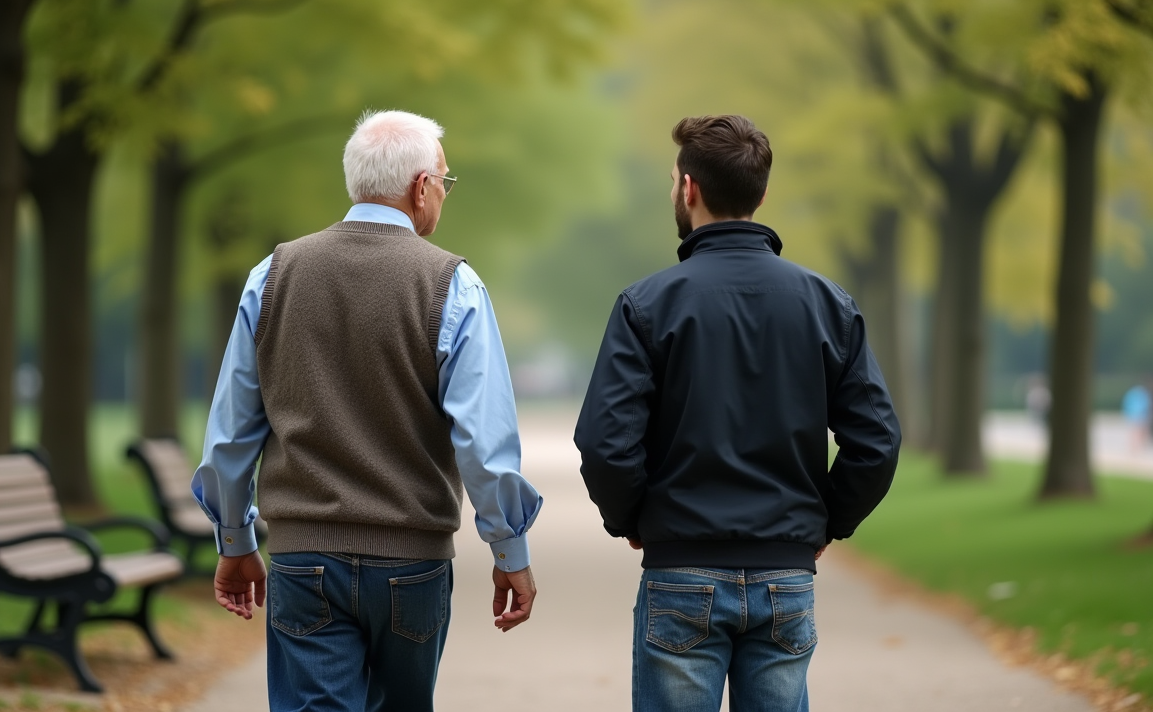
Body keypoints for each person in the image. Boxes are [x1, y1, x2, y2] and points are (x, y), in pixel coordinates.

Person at [192, 110, 542, 712]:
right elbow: (483, 442)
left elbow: (230, 433)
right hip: (412, 563)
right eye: (445, 182)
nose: (443, 196)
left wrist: (235, 539)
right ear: (421, 187)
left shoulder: (272, 275)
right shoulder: (452, 285)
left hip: (304, 558)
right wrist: (509, 550)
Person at [575, 114, 901, 712]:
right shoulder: (828, 305)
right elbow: (876, 440)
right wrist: (826, 521)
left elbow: (605, 442)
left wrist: (634, 520)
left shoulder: (646, 305)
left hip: (681, 569)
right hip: (786, 575)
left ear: (689, 189)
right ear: (761, 195)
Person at [1122, 382, 1151, 452]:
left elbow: (1126, 404)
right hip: (1140, 415)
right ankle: (1136, 446)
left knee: (1135, 432)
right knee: (1138, 432)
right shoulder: (1142, 394)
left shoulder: (1132, 394)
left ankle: (1135, 446)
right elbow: (1147, 405)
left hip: (1135, 415)